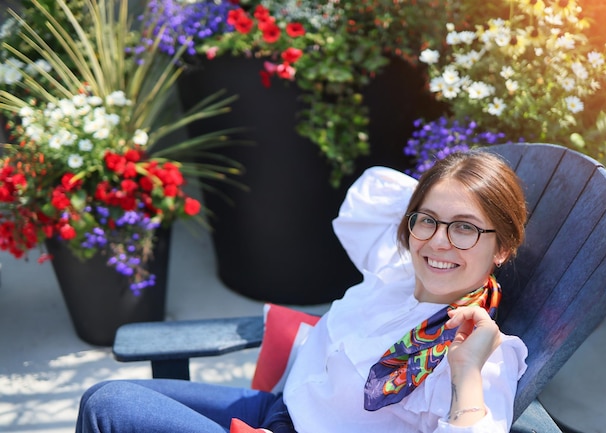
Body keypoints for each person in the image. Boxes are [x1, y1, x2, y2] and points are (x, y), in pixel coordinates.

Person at [76, 150, 528, 433]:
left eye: (466, 228)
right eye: (427, 220)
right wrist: (446, 194)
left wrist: (466, 372)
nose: (440, 241)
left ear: (503, 247)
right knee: (101, 396)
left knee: (111, 409)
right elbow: (366, 200)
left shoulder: (478, 352)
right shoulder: (397, 274)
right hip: (277, 409)